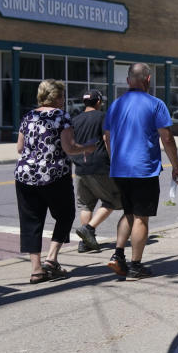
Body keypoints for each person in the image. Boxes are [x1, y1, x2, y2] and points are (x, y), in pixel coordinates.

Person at [103, 62, 178, 280]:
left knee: (127, 213)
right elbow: (166, 137)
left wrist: (115, 160)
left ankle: (118, 255)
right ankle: (135, 266)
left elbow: (106, 137)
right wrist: (175, 166)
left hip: (120, 169)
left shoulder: (116, 105)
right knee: (141, 217)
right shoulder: (156, 104)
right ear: (148, 80)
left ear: (129, 81)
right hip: (144, 169)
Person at [15, 79, 97, 284]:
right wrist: (87, 147)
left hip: (25, 175)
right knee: (65, 214)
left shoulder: (28, 116)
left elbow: (19, 148)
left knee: (31, 221)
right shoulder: (61, 116)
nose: (63, 99)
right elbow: (69, 148)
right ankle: (51, 259)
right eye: (62, 95)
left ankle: (36, 270)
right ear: (56, 97)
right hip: (54, 175)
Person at [70, 89, 128, 253]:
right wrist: (114, 160)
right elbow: (106, 138)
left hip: (80, 167)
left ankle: (85, 242)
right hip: (100, 166)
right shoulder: (103, 117)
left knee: (85, 205)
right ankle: (88, 229)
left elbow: (70, 143)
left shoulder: (75, 120)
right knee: (114, 199)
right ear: (98, 102)